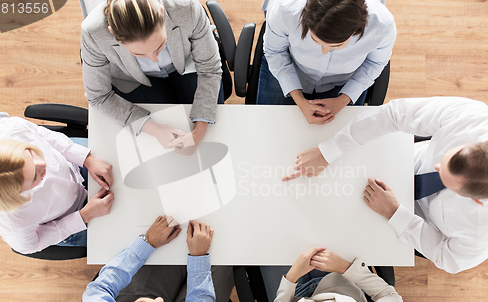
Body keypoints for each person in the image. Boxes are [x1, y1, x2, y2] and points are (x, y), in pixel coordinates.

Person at [284, 97, 488, 273]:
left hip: (408, 223)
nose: (436, 167)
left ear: (477, 201)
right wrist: (328, 151)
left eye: (444, 179)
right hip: (400, 160)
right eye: (444, 160)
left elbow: (447, 257)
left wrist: (395, 213)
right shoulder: (475, 119)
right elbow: (395, 113)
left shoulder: (481, 231)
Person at [81, 0, 223, 153]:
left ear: (162, 14)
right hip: (133, 79)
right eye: (139, 54)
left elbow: (209, 68)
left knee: (214, 133)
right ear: (112, 32)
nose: (154, 59)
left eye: (160, 46)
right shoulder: (93, 32)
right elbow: (98, 96)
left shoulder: (186, 7)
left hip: (186, 64)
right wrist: (155, 129)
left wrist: (198, 133)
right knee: (161, 144)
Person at [76, 216, 234, 302]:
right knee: (224, 248)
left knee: (173, 235)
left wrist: (147, 242)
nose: (160, 300)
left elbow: (103, 286)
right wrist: (199, 258)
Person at [257, 0, 396, 126]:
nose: (324, 51)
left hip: (344, 81)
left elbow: (374, 63)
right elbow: (275, 52)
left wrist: (342, 100)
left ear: (358, 29)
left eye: (337, 45)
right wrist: (299, 100)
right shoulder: (284, 8)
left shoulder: (382, 25)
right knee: (268, 128)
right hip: (290, 67)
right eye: (315, 40)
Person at [0, 117, 114, 254]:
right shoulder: (11, 221)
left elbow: (44, 135)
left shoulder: (10, 130)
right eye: (35, 176)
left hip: (73, 160)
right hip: (73, 215)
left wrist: (87, 158)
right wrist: (84, 216)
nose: (44, 164)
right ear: (18, 193)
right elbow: (31, 245)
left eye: (31, 153)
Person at [265, 247, 402, 302]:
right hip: (338, 279)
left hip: (293, 297)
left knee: (270, 244)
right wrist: (344, 267)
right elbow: (387, 294)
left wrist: (292, 276)